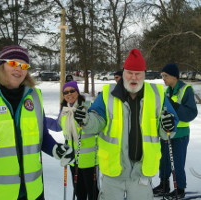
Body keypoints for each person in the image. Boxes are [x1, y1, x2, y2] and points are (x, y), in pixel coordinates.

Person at [0, 45, 74, 200]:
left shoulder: (34, 97)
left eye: (24, 66)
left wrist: (56, 149)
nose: (19, 69)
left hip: (33, 193)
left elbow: (41, 137)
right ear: (1, 65)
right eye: (13, 63)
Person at [73, 48, 179, 200]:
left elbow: (168, 129)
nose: (133, 77)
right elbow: (96, 122)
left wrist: (168, 126)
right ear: (123, 73)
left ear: (144, 74)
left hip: (142, 170)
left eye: (138, 73)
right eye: (130, 72)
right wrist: (86, 120)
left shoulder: (157, 95)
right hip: (113, 170)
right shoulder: (108, 94)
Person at [46, 81, 99, 200]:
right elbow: (57, 126)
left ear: (77, 92)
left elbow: (96, 126)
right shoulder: (65, 110)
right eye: (65, 92)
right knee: (79, 192)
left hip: (89, 160)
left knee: (93, 193)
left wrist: (86, 119)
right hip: (72, 159)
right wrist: (42, 119)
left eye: (72, 91)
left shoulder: (88, 107)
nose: (69, 94)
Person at [153, 63, 198, 199]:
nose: (163, 79)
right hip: (166, 132)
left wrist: (174, 106)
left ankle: (180, 188)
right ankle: (164, 184)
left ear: (174, 76)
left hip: (180, 133)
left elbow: (191, 113)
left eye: (165, 76)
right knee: (164, 160)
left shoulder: (186, 90)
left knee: (177, 162)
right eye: (162, 76)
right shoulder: (167, 91)